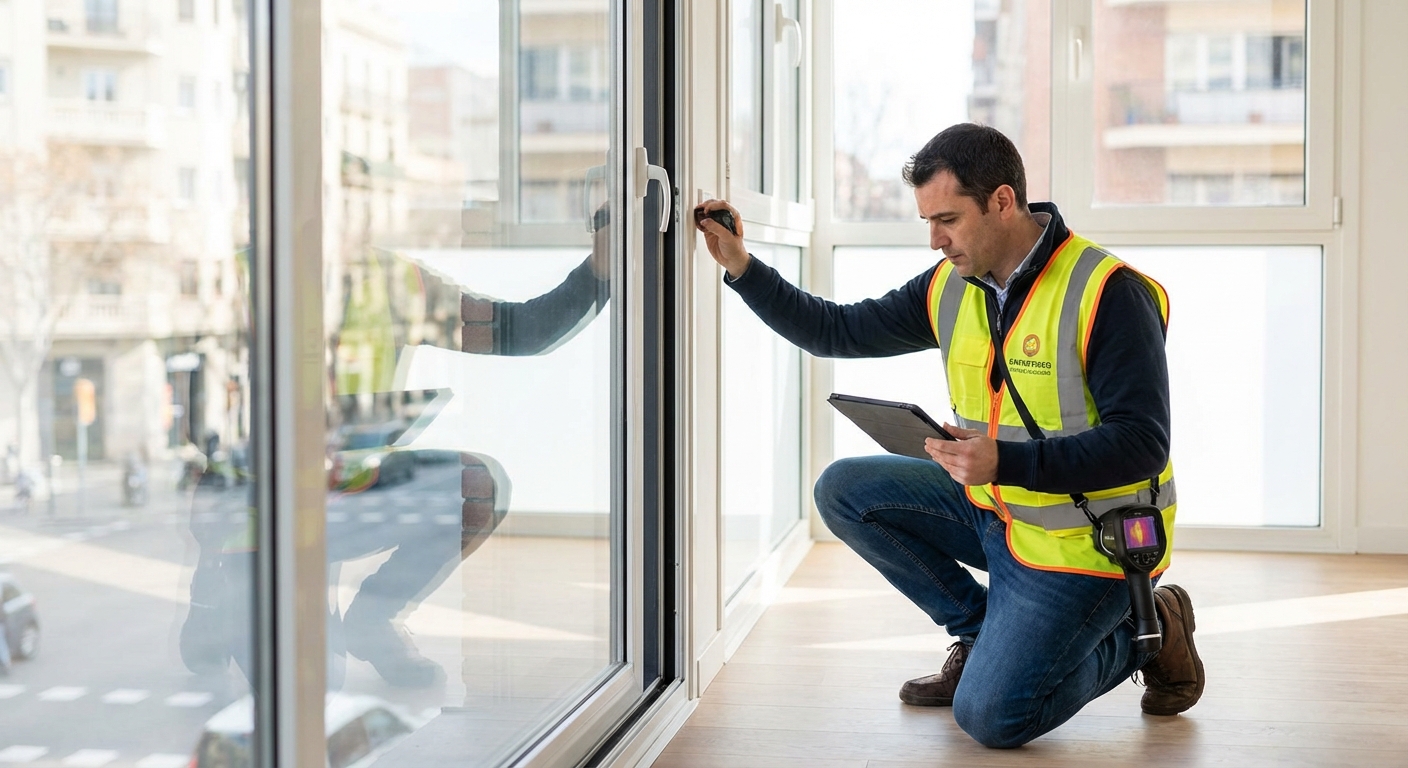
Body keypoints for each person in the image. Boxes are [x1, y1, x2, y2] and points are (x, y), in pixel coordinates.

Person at [695, 123, 1204, 748]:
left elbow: (1141, 442)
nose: (936, 241)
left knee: (992, 718)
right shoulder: (951, 285)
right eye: (927, 222)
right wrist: (742, 266)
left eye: (948, 220)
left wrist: (1005, 463)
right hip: (994, 509)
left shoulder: (1108, 292)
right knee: (843, 490)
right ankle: (980, 630)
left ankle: (1150, 629)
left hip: (1086, 542)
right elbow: (839, 332)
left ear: (1001, 201)